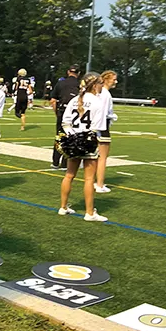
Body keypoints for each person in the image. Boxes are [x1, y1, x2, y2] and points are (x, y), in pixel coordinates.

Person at [59, 72, 108, 222]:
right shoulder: (98, 102)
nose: (101, 86)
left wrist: (73, 137)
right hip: (88, 141)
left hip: (72, 140)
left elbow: (65, 122)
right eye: (100, 83)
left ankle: (63, 207)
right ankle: (89, 213)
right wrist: (85, 139)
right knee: (88, 179)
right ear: (94, 85)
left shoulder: (74, 99)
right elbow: (98, 127)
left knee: (69, 175)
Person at [50, 65, 81, 170]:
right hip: (74, 113)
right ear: (79, 73)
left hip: (62, 111)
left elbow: (53, 101)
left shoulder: (61, 83)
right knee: (71, 137)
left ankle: (55, 162)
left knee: (59, 136)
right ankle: (64, 163)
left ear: (68, 72)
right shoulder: (79, 85)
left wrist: (57, 113)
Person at [95, 70, 118, 193]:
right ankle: (99, 184)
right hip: (102, 127)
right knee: (103, 157)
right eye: (114, 79)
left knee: (96, 157)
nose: (116, 81)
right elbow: (102, 113)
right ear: (106, 79)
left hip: (98, 126)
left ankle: (96, 181)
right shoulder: (105, 93)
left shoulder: (100, 92)